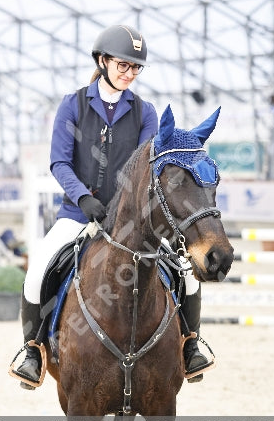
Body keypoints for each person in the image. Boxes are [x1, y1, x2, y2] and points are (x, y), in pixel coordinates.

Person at [12, 24, 212, 387]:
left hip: (131, 222)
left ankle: (191, 345)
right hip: (79, 213)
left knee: (185, 273)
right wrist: (84, 198)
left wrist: (130, 209)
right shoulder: (73, 105)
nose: (129, 73)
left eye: (136, 68)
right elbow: (59, 162)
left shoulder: (145, 111)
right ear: (102, 61)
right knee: (38, 269)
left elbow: (147, 169)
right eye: (123, 65)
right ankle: (32, 349)